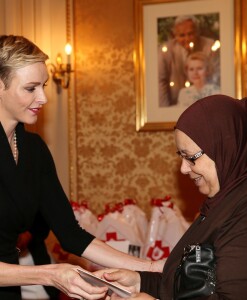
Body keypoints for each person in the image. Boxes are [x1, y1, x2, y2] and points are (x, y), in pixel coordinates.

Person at [0, 35, 163, 300]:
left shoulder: (33, 149)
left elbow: (71, 235)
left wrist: (154, 268)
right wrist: (48, 274)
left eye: (43, 86)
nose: (43, 98)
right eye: (31, 88)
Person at [97, 95, 247, 300]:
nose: (184, 169)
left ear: (224, 148)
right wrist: (141, 282)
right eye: (181, 156)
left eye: (191, 158)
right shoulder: (229, 198)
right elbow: (197, 284)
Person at [158, 15, 219, 107]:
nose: (187, 39)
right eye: (182, 35)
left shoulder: (210, 46)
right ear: (175, 36)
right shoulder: (166, 51)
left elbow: (217, 74)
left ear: (197, 32)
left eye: (190, 34)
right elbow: (160, 81)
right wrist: (164, 111)